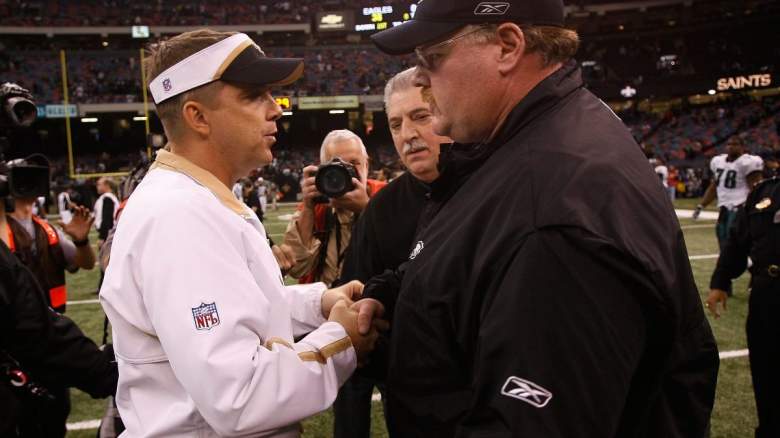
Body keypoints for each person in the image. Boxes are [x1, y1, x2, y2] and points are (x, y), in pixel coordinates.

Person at [353, 1, 719, 436]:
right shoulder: (531, 140)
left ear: (507, 46)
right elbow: (476, 261)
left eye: (432, 58)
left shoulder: (554, 207)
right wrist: (393, 295)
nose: (422, 81)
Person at [99, 29, 380, 437]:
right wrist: (343, 339)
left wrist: (317, 303)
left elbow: (238, 306)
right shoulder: (180, 214)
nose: (276, 109)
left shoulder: (195, 198)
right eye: (253, 96)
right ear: (197, 117)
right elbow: (242, 396)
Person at [333, 67, 452, 438]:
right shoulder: (382, 209)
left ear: (449, 112)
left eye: (421, 116)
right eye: (396, 124)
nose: (408, 135)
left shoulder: (491, 187)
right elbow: (357, 290)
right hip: (412, 398)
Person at [0, 81, 118, 438]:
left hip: (42, 361)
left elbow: (81, 263)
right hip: (24, 356)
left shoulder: (47, 231)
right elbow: (36, 327)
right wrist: (105, 372)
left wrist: (81, 240)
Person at [706, 176, 780, 438]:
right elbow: (738, 241)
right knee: (766, 373)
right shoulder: (764, 191)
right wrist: (720, 281)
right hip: (767, 295)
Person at [283, 129, 386, 286]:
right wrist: (308, 209)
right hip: (327, 305)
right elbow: (297, 268)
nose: (346, 173)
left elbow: (405, 256)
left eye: (354, 163)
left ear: (366, 165)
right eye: (338, 166)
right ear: (323, 171)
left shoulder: (388, 197)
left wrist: (366, 209)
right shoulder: (317, 207)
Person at [7, 157, 96, 314]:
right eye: (21, 178)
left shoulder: (47, 231)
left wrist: (81, 241)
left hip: (49, 322)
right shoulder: (3, 228)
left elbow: (87, 264)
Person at [693, 136, 764, 248]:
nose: (730, 147)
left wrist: (756, 208)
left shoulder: (748, 162)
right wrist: (701, 205)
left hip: (740, 207)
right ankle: (727, 263)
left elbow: (756, 188)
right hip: (724, 208)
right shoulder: (718, 161)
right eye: (728, 144)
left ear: (742, 147)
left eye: (735, 144)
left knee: (735, 240)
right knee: (722, 236)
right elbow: (714, 187)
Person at [93, 177, 119, 245]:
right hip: (110, 232)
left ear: (107, 185)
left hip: (108, 234)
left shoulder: (107, 198)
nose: (97, 187)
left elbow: (107, 218)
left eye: (99, 184)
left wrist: (102, 237)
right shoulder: (110, 197)